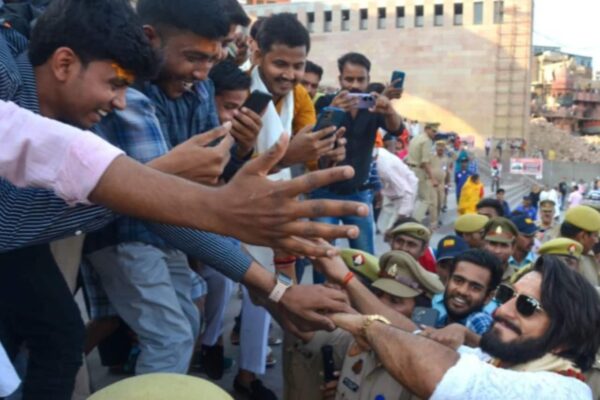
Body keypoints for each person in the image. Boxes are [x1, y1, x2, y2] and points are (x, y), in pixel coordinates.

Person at [330, 255, 600, 400]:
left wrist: (368, 326)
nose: (500, 310)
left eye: (527, 306)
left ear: (564, 338)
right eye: (507, 295)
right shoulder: (500, 360)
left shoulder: (564, 393)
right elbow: (415, 336)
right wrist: (346, 281)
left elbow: (441, 376)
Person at [311, 51, 403, 253]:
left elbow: (397, 129)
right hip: (324, 192)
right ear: (340, 79)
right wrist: (332, 110)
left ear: (368, 80)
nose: (354, 85)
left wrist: (388, 109)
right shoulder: (324, 102)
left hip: (359, 193)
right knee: (323, 258)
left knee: (364, 259)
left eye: (360, 79)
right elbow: (314, 138)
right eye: (349, 79)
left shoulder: (374, 106)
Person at [431, 249, 503, 335]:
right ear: (447, 281)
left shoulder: (478, 321)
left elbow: (491, 343)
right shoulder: (441, 321)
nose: (462, 291)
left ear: (488, 297)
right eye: (458, 281)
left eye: (475, 288)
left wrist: (469, 337)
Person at [375, 146, 418, 234]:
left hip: (403, 193)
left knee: (395, 230)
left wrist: (399, 218)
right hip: (391, 193)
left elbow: (407, 192)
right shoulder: (378, 152)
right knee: (383, 226)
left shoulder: (385, 168)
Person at [404, 122, 439, 227]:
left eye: (435, 131)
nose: (434, 134)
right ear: (427, 129)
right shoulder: (427, 141)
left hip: (409, 169)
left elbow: (407, 155)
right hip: (418, 171)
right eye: (433, 131)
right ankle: (415, 222)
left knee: (412, 197)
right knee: (425, 200)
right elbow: (425, 162)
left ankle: (406, 219)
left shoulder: (415, 138)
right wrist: (433, 178)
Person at [557, 205, 600, 286]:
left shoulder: (587, 255)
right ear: (583, 236)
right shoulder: (566, 261)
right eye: (595, 235)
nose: (597, 240)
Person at [482, 217, 519, 283]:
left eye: (504, 245)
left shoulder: (518, 279)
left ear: (513, 248)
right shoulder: (472, 272)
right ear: (484, 244)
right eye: (493, 244)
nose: (497, 251)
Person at [430, 140, 451, 228]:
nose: (440, 149)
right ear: (436, 148)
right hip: (432, 183)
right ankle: (433, 223)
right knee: (433, 203)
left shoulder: (446, 159)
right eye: (439, 147)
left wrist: (448, 182)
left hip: (442, 184)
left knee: (439, 203)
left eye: (442, 148)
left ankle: (437, 219)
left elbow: (448, 171)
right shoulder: (431, 157)